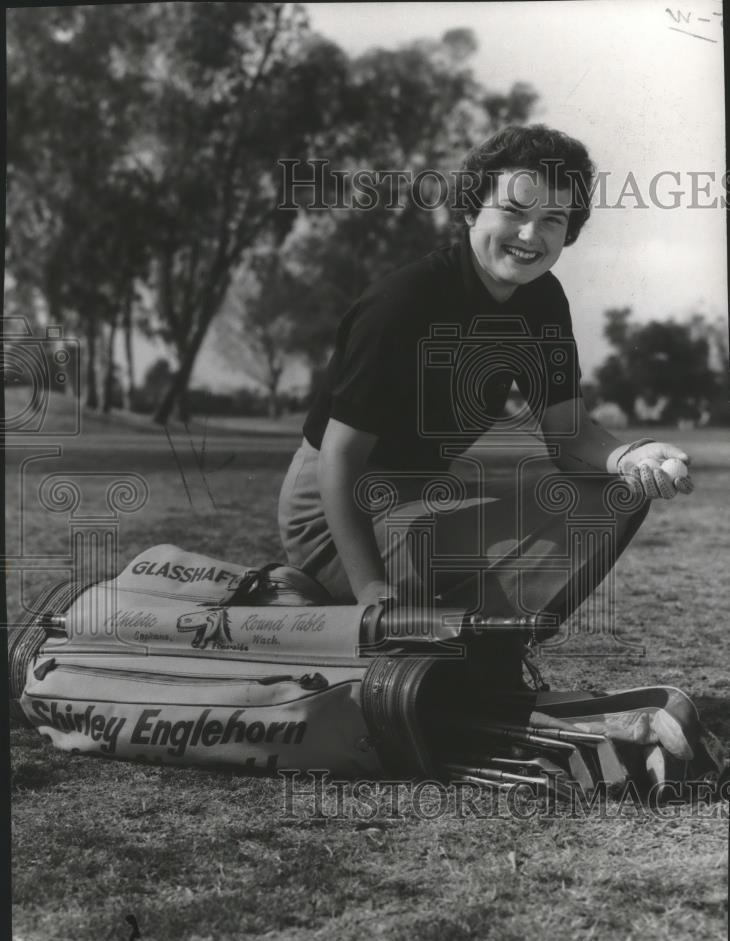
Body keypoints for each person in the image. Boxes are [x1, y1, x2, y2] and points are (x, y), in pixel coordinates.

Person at [277, 125, 693, 669]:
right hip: (335, 519)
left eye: (553, 219)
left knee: (618, 491)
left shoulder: (542, 299)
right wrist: (371, 593)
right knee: (427, 555)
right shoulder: (403, 303)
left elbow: (572, 437)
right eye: (515, 211)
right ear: (472, 208)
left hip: (421, 500)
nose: (531, 233)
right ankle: (430, 637)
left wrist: (630, 458)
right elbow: (341, 457)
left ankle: (495, 649)